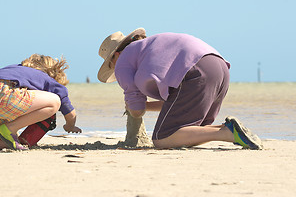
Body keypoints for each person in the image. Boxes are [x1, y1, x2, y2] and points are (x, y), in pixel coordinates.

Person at [97, 28, 262, 149]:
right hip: (218, 67)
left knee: (162, 138)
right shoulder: (149, 49)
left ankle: (227, 132)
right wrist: (146, 105)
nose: (116, 72)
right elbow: (176, 101)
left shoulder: (124, 59)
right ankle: (231, 129)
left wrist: (133, 106)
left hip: (194, 72)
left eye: (112, 67)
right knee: (193, 131)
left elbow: (136, 110)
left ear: (116, 56)